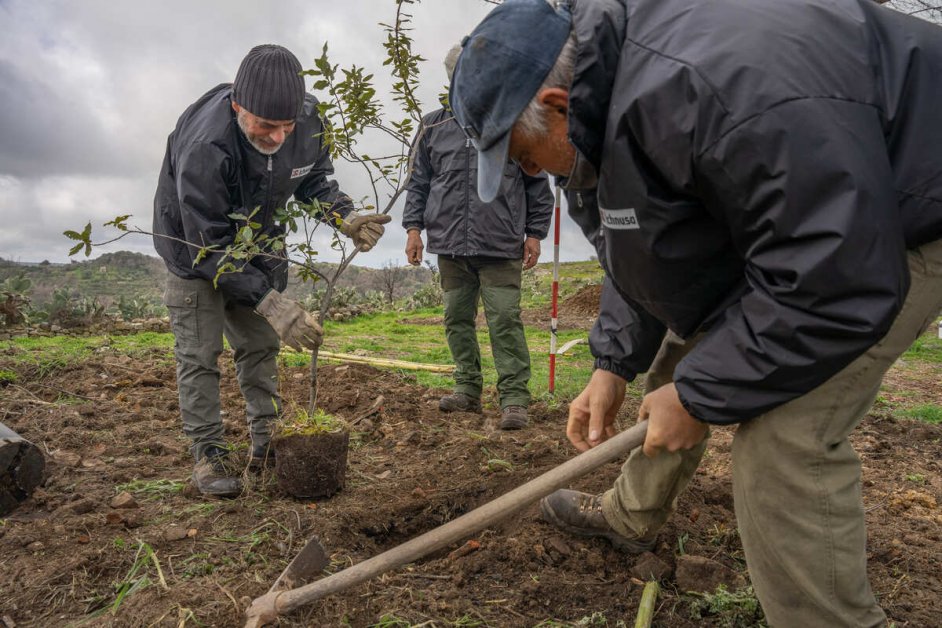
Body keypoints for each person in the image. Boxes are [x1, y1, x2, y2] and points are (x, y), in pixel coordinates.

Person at [449, 0, 942, 625]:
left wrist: (704, 395)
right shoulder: (602, 121)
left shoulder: (714, 86)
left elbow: (835, 275)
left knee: (785, 434)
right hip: (813, 214)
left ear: (557, 105)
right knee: (682, 358)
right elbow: (644, 256)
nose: (527, 171)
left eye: (521, 155)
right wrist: (612, 362)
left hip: (907, 212)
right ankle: (630, 515)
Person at [153, 44, 391, 497]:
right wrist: (271, 302)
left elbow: (314, 179)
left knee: (260, 346)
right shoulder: (207, 145)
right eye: (266, 126)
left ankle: (268, 442)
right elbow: (210, 243)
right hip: (193, 251)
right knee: (199, 355)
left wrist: (344, 216)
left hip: (260, 247)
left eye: (287, 126)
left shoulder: (307, 119)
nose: (279, 137)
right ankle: (209, 452)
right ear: (238, 106)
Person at [402, 46, 554, 430]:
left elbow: (536, 182)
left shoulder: (512, 123)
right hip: (451, 246)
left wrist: (535, 233)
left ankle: (515, 399)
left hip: (501, 244)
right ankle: (467, 389)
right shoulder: (433, 126)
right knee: (456, 318)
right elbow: (418, 184)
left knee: (504, 319)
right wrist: (413, 229)